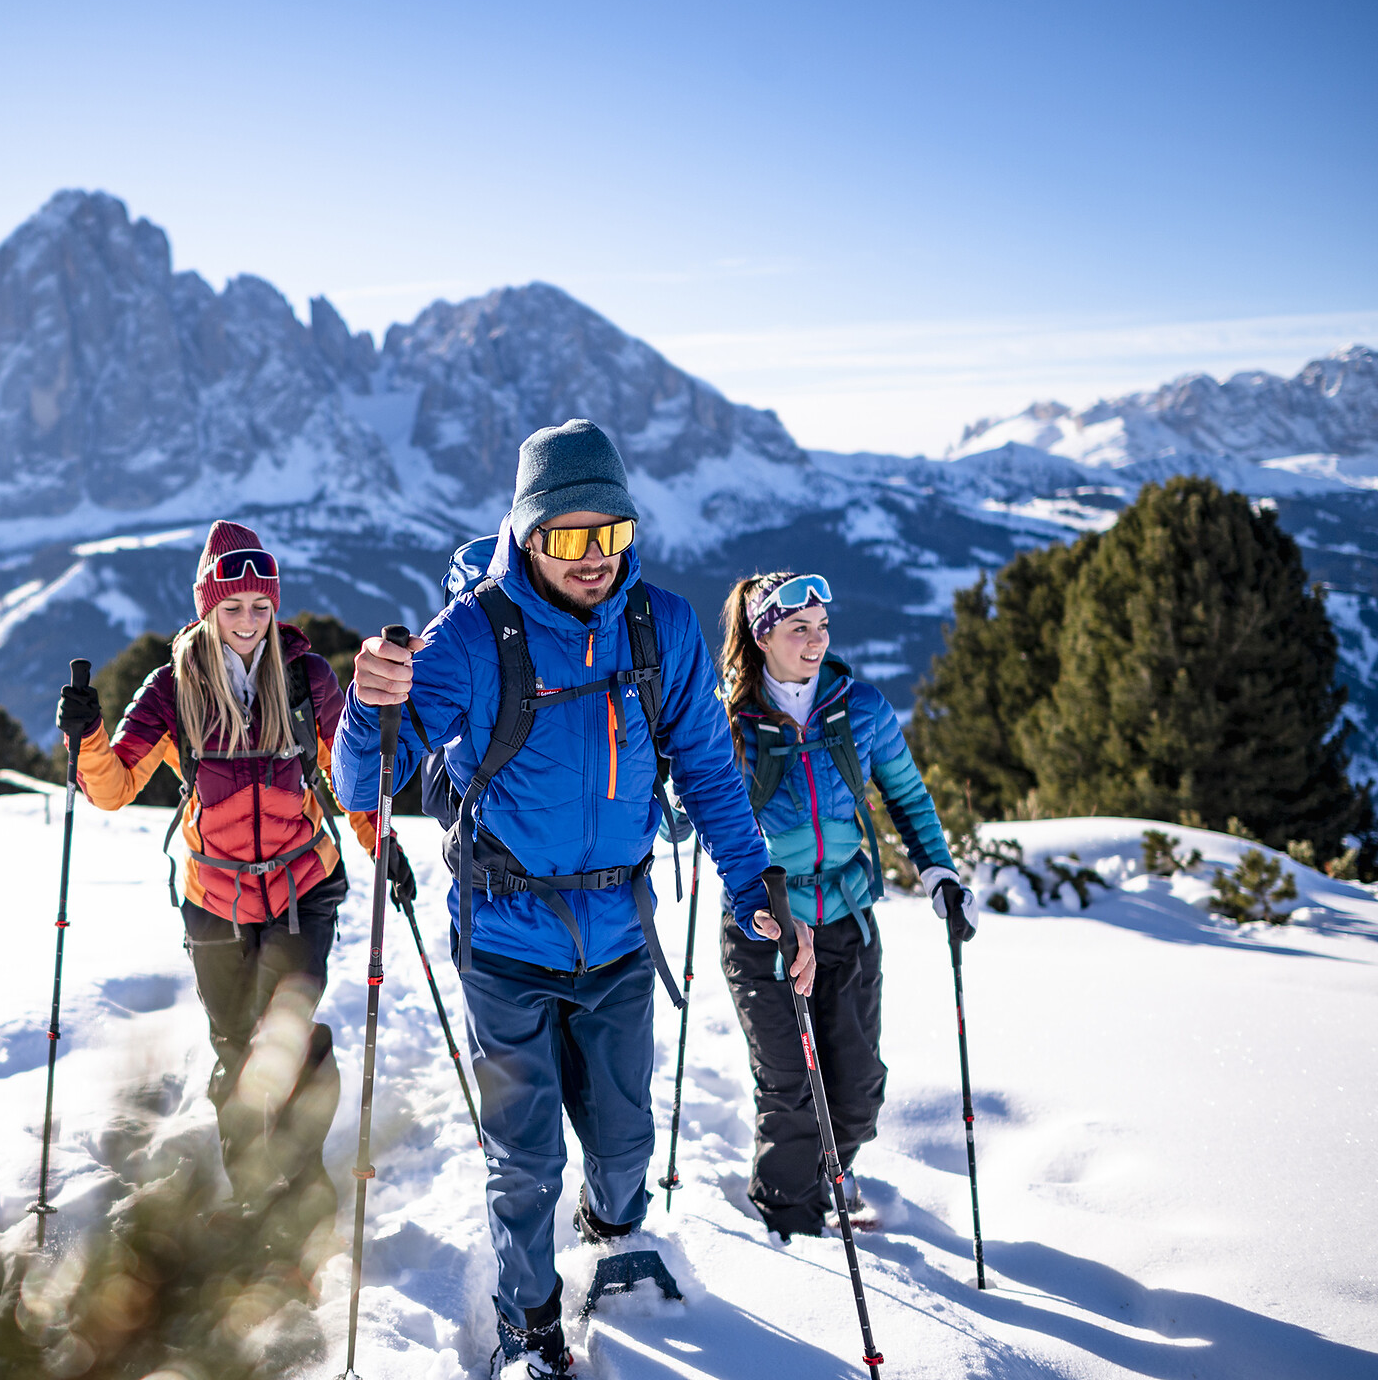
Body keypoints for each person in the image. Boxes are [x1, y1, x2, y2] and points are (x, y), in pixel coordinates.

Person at [332, 419, 811, 1377]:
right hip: (505, 941)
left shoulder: (661, 626)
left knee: (625, 1138)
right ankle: (529, 1327)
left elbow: (710, 771)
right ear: (526, 534)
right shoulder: (469, 639)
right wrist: (368, 704)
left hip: (619, 938)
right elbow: (364, 781)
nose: (593, 560)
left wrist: (756, 883)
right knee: (524, 1160)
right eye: (567, 538)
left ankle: (610, 1231)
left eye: (611, 535)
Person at [54, 521, 415, 1263]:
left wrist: (384, 845)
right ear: (209, 608)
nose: (248, 620)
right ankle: (253, 1193)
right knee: (234, 1048)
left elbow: (350, 778)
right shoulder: (172, 688)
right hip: (214, 896)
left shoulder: (306, 678)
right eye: (234, 606)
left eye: (260, 605)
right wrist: (88, 739)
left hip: (300, 888)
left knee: (285, 1040)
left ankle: (305, 1194)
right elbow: (114, 788)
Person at [717, 570, 979, 1240]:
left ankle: (836, 1171)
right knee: (791, 1088)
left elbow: (908, 798)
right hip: (767, 926)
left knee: (857, 1091)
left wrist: (938, 875)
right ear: (762, 634)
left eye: (822, 627)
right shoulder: (726, 721)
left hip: (848, 920)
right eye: (799, 628)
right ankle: (789, 1226)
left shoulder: (859, 708)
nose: (815, 640)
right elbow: (684, 818)